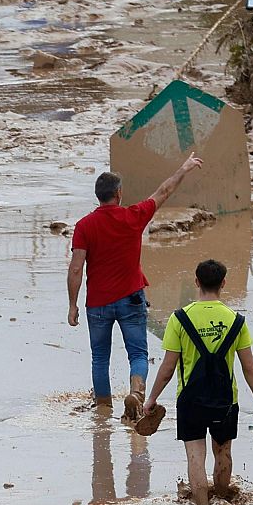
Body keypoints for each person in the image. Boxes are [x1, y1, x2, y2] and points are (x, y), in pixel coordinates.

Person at [67, 154, 205, 421]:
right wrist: (184, 168)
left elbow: (76, 268)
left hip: (98, 303)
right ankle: (137, 394)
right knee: (138, 353)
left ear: (98, 196)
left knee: (99, 357)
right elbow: (163, 191)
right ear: (119, 193)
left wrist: (72, 305)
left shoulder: (84, 226)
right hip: (130, 298)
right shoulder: (134, 215)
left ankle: (104, 410)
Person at [141, 259, 253, 505]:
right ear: (223, 283)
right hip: (225, 400)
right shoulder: (236, 320)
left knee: (195, 458)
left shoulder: (179, 319)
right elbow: (249, 367)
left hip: (190, 400)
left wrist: (152, 398)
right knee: (223, 453)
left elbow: (168, 367)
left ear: (196, 282)